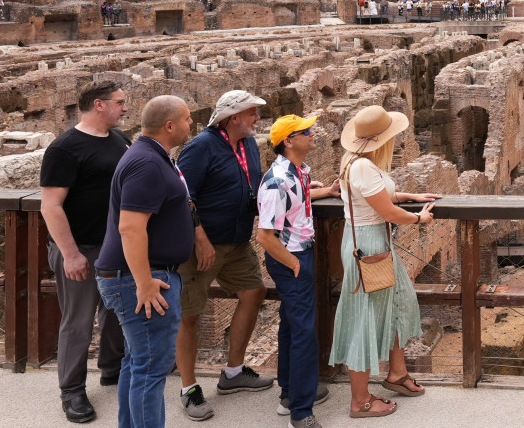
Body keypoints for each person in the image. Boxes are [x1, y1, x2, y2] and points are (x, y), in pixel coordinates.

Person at [330, 105, 440, 419]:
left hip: (371, 240)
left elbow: (377, 196)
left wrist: (408, 196)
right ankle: (360, 400)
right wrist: (419, 218)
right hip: (369, 244)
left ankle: (396, 373)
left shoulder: (356, 161)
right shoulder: (362, 166)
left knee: (396, 301)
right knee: (364, 316)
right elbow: (387, 213)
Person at [95, 96, 195, 428]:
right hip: (140, 278)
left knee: (138, 363)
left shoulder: (151, 156)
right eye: (187, 119)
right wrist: (144, 283)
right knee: (152, 369)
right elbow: (130, 227)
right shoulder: (147, 163)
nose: (191, 124)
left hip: (137, 276)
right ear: (169, 126)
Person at [175, 90, 272, 420]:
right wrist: (199, 237)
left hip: (237, 241)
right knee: (190, 314)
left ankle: (233, 373)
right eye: (252, 113)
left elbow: (255, 188)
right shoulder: (202, 147)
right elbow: (182, 194)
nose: (257, 119)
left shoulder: (247, 145)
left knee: (254, 292)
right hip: (202, 244)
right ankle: (189, 389)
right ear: (234, 118)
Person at [40, 81, 129, 423]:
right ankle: (72, 392)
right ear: (99, 105)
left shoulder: (120, 139)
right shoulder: (65, 149)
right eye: (120, 102)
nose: (125, 108)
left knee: (114, 313)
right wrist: (71, 254)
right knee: (78, 322)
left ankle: (111, 368)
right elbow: (51, 206)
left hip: (113, 245)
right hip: (80, 249)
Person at [256, 115, 341, 427]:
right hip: (290, 259)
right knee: (305, 332)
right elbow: (264, 236)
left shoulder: (297, 173)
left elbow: (298, 199)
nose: (312, 133)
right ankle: (301, 413)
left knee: (292, 326)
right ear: (288, 141)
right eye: (305, 131)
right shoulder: (278, 181)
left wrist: (326, 191)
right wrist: (293, 263)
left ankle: (290, 393)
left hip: (297, 256)